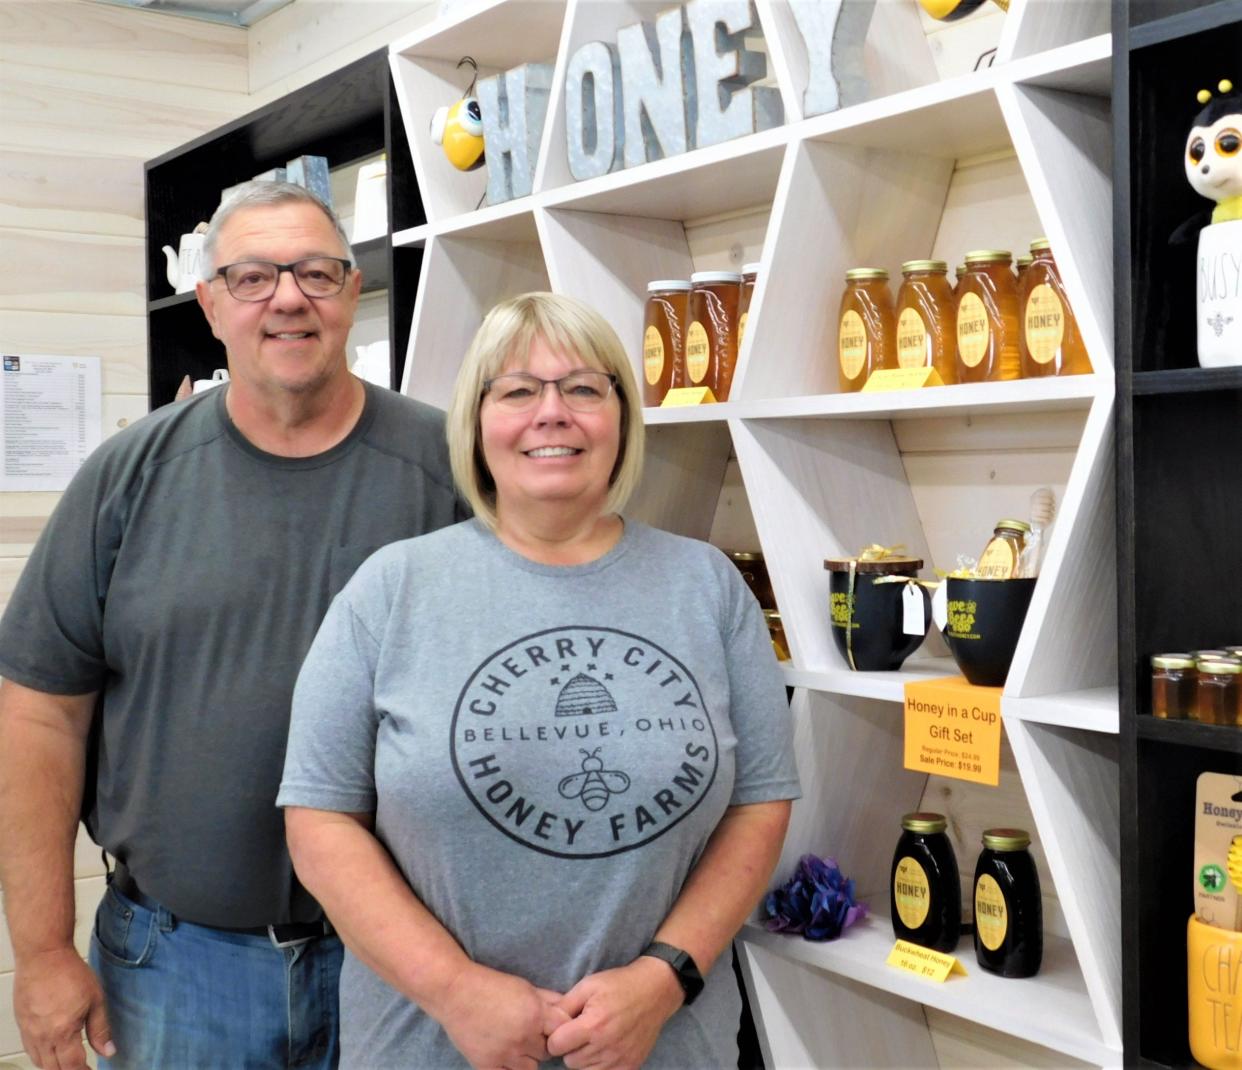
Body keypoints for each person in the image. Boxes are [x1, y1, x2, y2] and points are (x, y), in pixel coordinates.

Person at [0, 181, 467, 1070]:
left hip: (406, 964)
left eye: (317, 274)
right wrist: (45, 952)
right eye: (252, 277)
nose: (288, 297)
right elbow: (38, 712)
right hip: (177, 966)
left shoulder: (445, 471)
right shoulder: (126, 478)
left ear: (353, 291)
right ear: (210, 304)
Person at [279, 291, 800, 1069]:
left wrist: (666, 976)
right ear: (476, 421)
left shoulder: (707, 585)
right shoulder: (392, 589)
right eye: (518, 390)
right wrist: (454, 988)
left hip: (665, 1044)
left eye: (584, 388)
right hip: (429, 1044)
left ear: (621, 418)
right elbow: (319, 822)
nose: (551, 413)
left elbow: (760, 804)